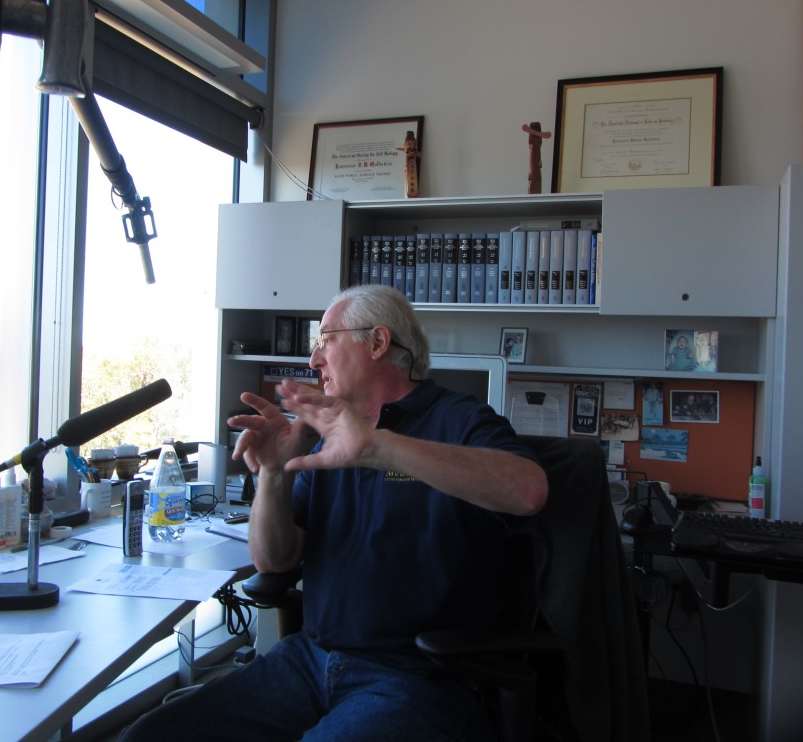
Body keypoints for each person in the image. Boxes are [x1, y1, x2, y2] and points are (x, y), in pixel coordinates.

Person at [121, 284, 548, 742]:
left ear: (379, 343)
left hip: (420, 677)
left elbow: (528, 491)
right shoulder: (327, 442)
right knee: (146, 735)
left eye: (325, 340)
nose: (313, 360)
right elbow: (276, 562)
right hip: (308, 660)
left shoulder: (460, 420)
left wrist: (377, 446)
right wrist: (273, 472)